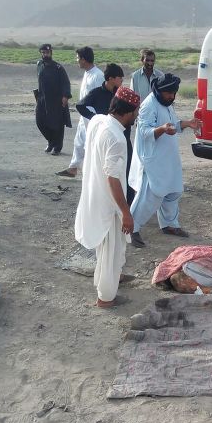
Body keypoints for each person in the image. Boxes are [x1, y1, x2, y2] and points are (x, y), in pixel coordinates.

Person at [74, 87, 140, 308]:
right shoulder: (116, 138)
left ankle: (116, 279)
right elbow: (113, 179)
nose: (137, 115)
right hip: (108, 204)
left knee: (113, 249)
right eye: (136, 111)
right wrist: (125, 211)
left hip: (95, 194)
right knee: (110, 251)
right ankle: (106, 298)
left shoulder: (98, 120)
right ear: (128, 112)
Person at [128, 73, 201, 248]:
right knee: (150, 195)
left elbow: (172, 124)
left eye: (174, 93)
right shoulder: (148, 105)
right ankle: (132, 229)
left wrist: (187, 123)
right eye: (169, 93)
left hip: (168, 158)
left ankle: (169, 225)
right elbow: (144, 132)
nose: (172, 97)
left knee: (173, 192)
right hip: (152, 160)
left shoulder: (166, 103)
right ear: (160, 91)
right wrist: (161, 129)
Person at [59, 65, 136, 204]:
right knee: (108, 172)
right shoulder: (97, 93)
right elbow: (80, 105)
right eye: (120, 78)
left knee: (127, 171)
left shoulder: (122, 94)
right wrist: (96, 118)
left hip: (124, 138)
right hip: (106, 139)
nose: (122, 81)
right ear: (111, 79)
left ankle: (128, 204)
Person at [56, 47, 104, 177]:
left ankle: (95, 172)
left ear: (83, 59)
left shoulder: (98, 76)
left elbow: (99, 98)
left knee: (91, 144)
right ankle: (73, 168)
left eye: (78, 58)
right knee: (79, 141)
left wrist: (94, 118)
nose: (76, 60)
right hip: (84, 115)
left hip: (92, 117)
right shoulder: (87, 73)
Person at [35, 44, 71, 156]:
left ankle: (57, 147)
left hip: (56, 100)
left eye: (47, 52)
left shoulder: (58, 68)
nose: (45, 54)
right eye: (43, 53)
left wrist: (65, 96)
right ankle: (51, 141)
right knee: (40, 121)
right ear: (41, 53)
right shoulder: (39, 65)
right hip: (42, 98)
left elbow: (66, 82)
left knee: (57, 124)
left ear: (51, 53)